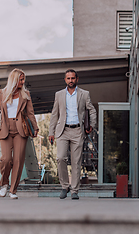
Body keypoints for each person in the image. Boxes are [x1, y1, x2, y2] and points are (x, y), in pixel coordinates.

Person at [0, 68, 39, 199]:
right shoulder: (0, 93)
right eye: (21, 79)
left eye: (23, 79)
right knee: (6, 159)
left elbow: (30, 113)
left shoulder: (25, 94)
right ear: (14, 80)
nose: (23, 82)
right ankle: (4, 183)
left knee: (18, 160)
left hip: (21, 130)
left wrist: (35, 128)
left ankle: (13, 190)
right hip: (5, 129)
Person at [49, 69, 96, 200]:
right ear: (65, 80)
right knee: (60, 158)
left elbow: (92, 110)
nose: (71, 80)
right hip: (62, 131)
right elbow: (54, 114)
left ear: (77, 79)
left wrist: (92, 125)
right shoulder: (58, 95)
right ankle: (65, 186)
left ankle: (74, 190)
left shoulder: (84, 94)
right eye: (68, 78)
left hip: (77, 131)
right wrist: (51, 132)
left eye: (73, 78)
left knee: (76, 162)